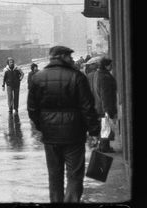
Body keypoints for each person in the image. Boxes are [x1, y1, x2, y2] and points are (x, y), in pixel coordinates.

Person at [27, 45, 100, 203]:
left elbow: (32, 108)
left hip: (50, 136)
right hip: (74, 134)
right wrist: (94, 131)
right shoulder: (77, 77)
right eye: (69, 56)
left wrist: (41, 127)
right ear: (62, 57)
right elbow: (88, 107)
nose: (72, 59)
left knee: (54, 175)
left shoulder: (38, 77)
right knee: (74, 175)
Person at [89, 57, 118, 152]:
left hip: (100, 105)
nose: (112, 67)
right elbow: (106, 95)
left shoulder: (98, 74)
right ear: (106, 65)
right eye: (111, 65)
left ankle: (103, 146)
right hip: (104, 106)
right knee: (106, 127)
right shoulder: (104, 77)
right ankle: (104, 147)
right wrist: (108, 110)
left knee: (104, 127)